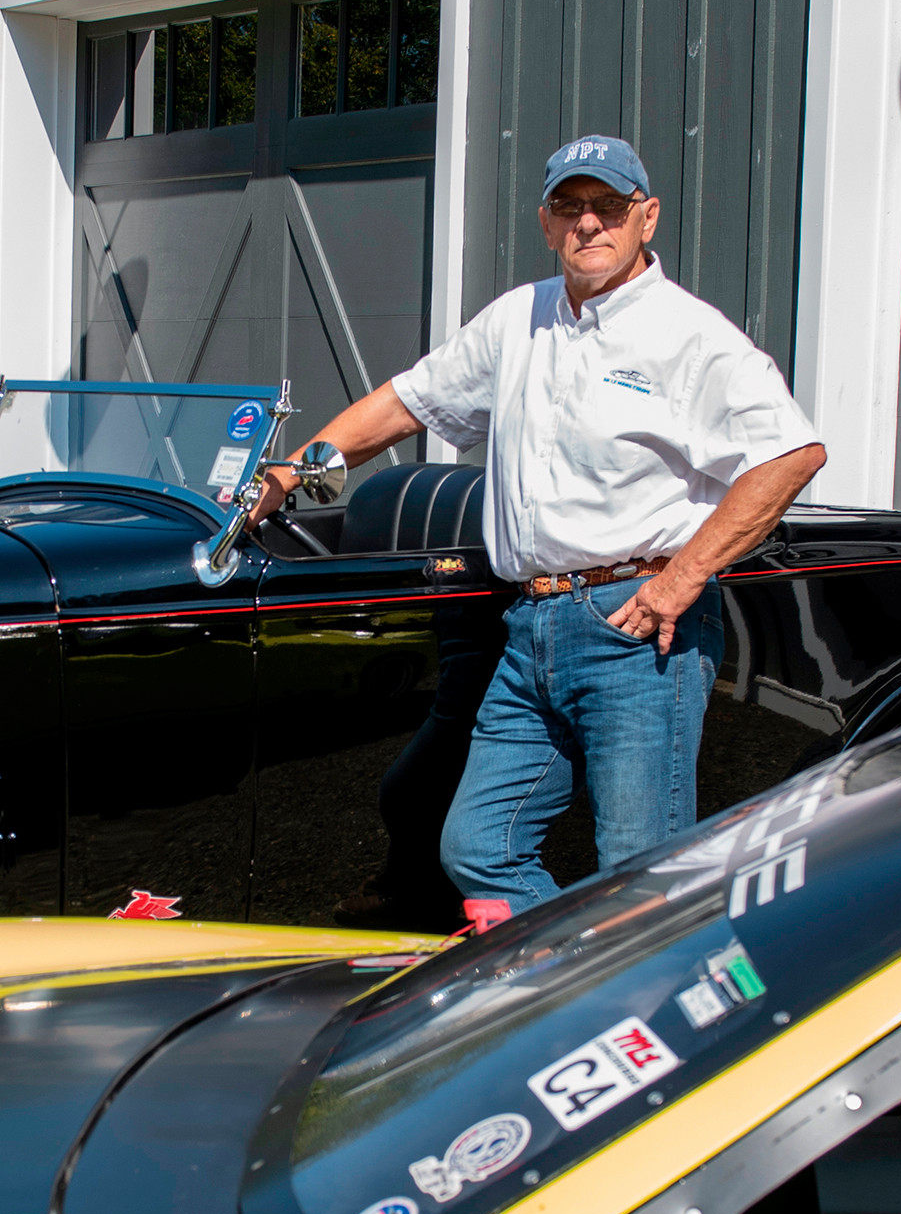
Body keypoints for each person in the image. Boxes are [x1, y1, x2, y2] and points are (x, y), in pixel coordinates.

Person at [256, 133, 826, 931]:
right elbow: (405, 403)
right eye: (570, 206)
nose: (589, 223)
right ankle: (562, 993)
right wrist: (290, 469)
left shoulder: (690, 335)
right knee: (478, 848)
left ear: (646, 217)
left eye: (609, 206)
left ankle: (652, 1033)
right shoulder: (515, 320)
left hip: (637, 623)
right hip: (528, 624)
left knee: (640, 871)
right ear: (546, 221)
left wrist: (684, 576)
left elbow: (790, 454)